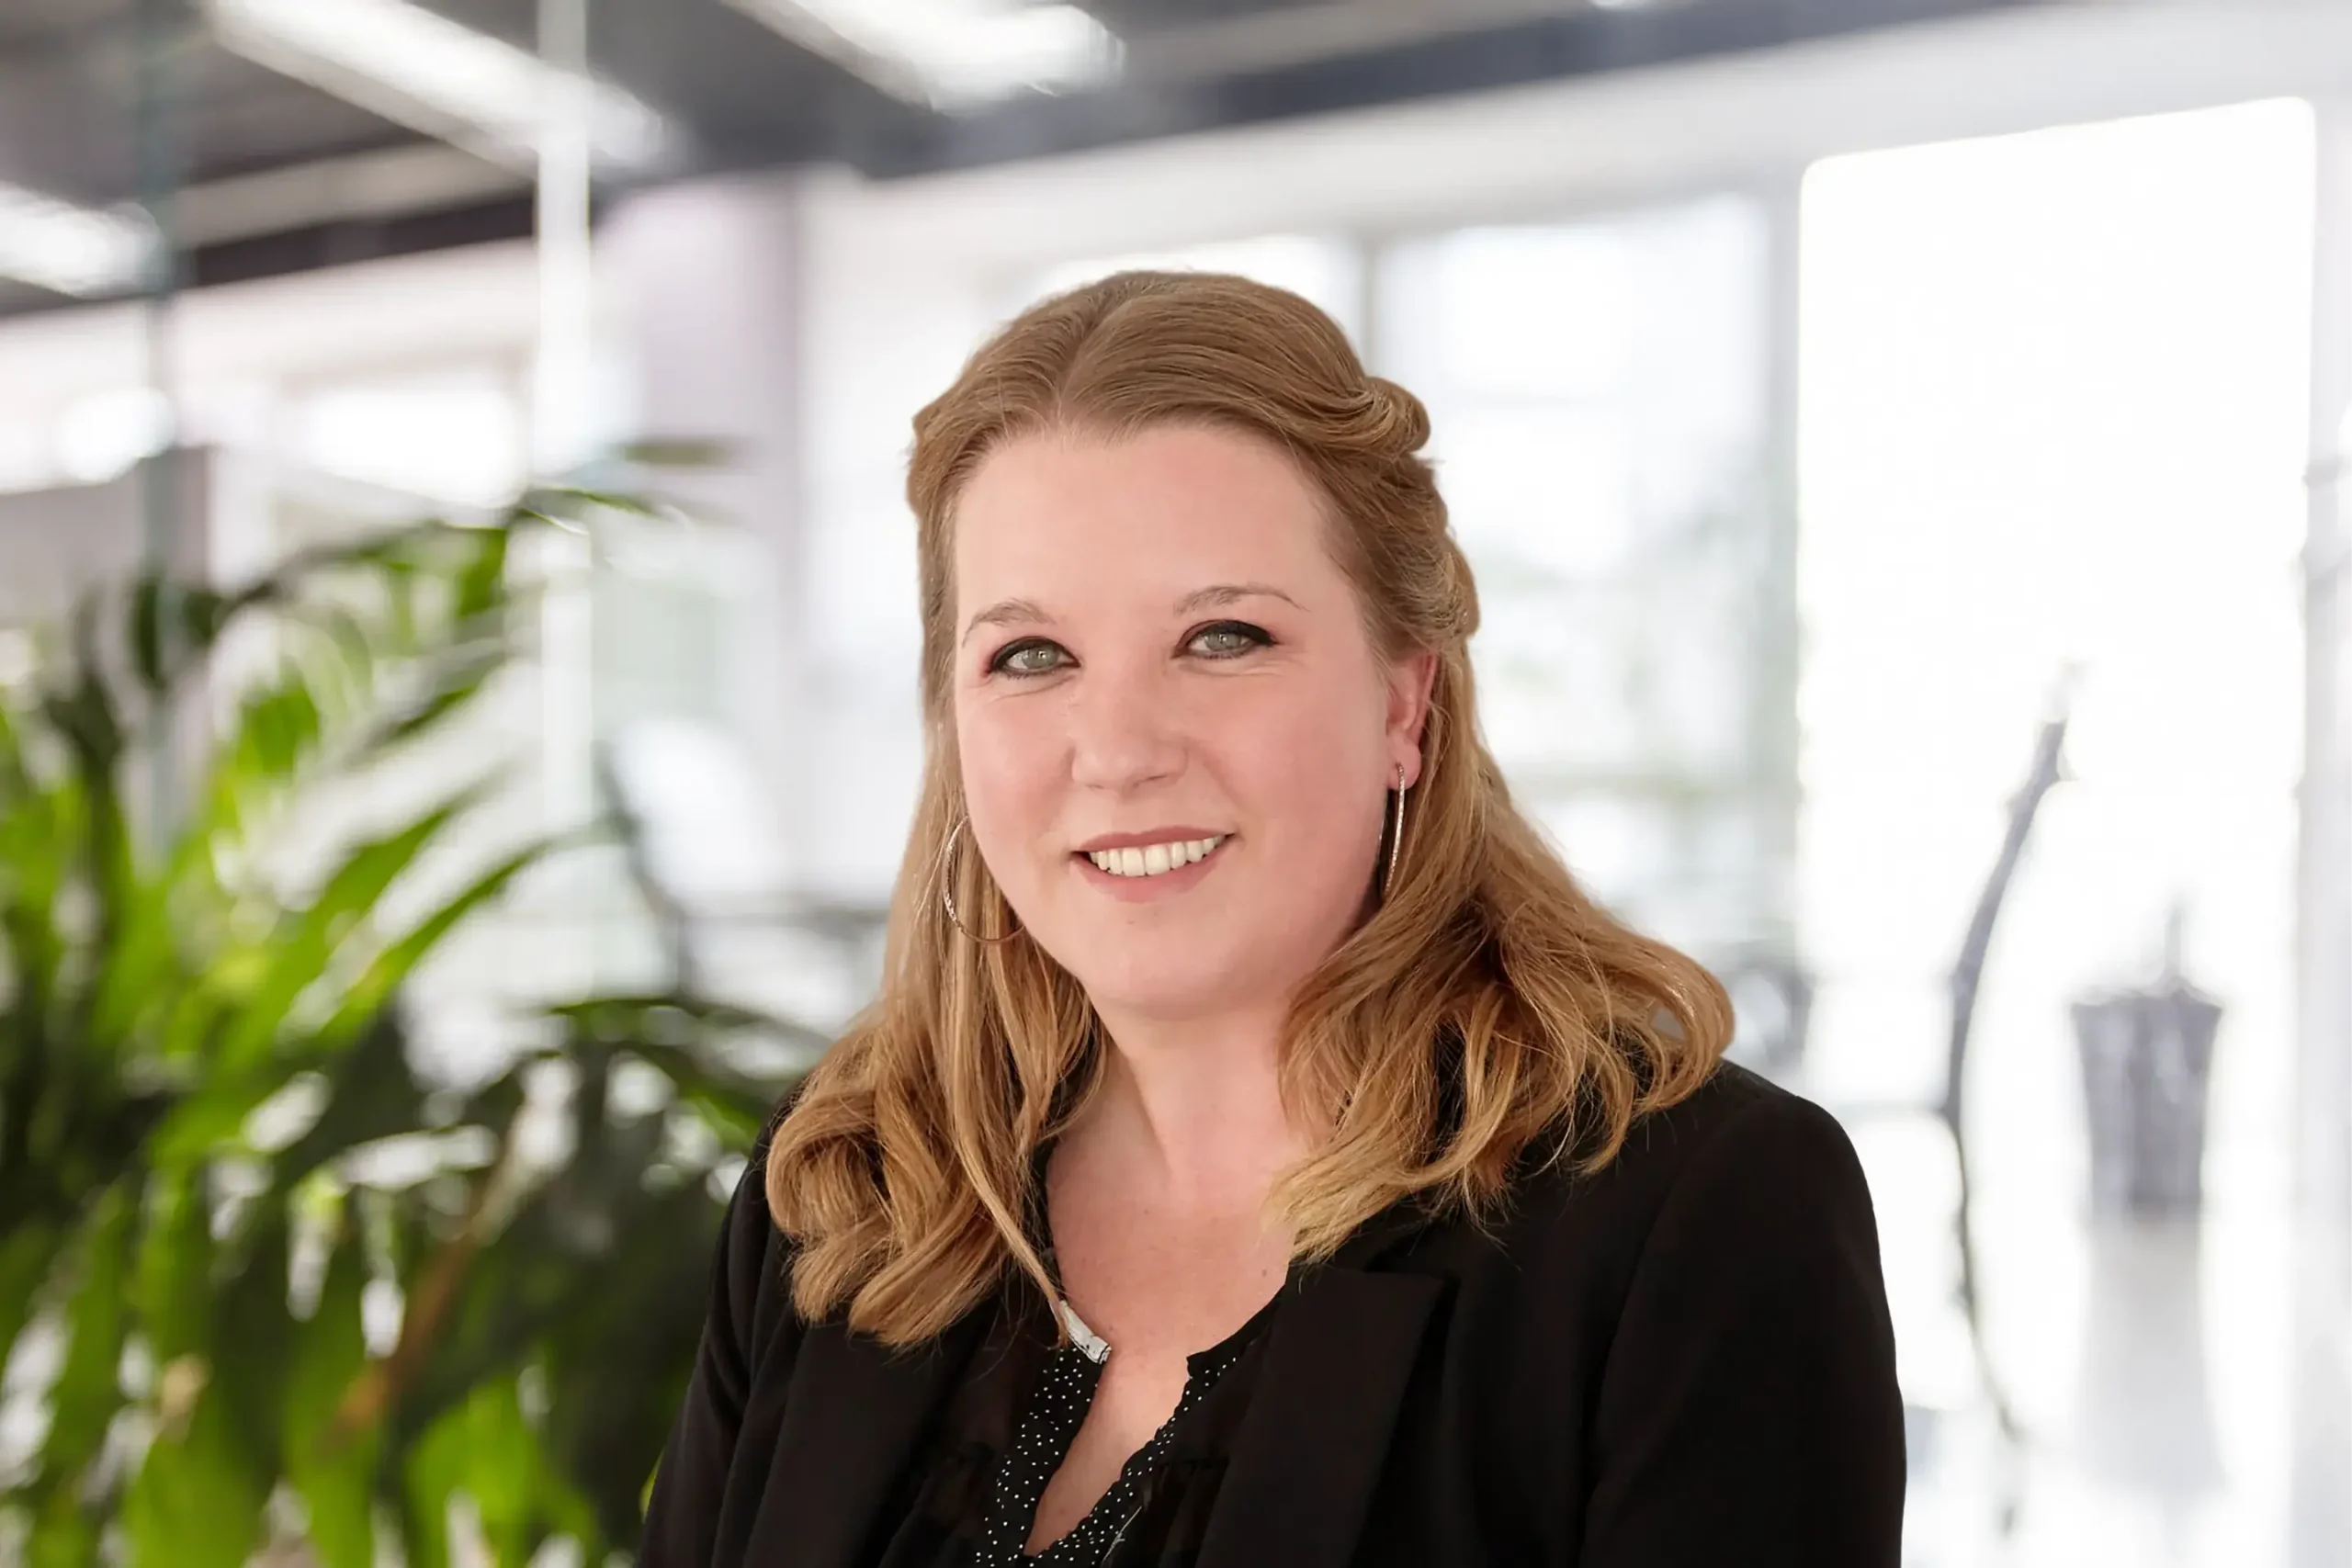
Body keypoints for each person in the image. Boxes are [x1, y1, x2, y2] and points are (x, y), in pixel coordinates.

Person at [639, 270, 1903, 1568]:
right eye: (1031, 656)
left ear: (1407, 707)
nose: (1118, 750)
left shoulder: (1696, 1223)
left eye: (1223, 636)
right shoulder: (848, 1189)